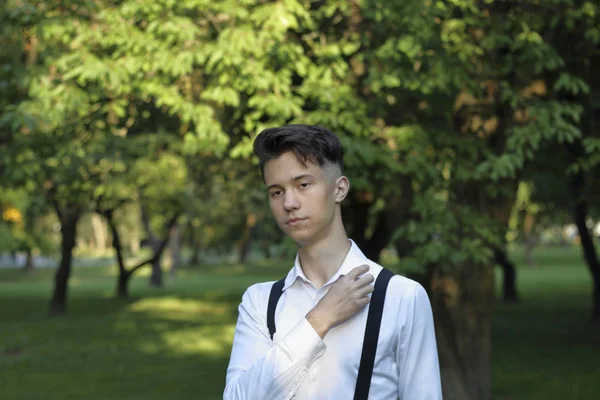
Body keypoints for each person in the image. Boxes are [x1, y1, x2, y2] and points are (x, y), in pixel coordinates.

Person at [224, 125, 442, 400]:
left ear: (339, 189)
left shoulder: (401, 297)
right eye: (276, 192)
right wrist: (320, 319)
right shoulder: (260, 303)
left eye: (303, 185)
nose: (289, 203)